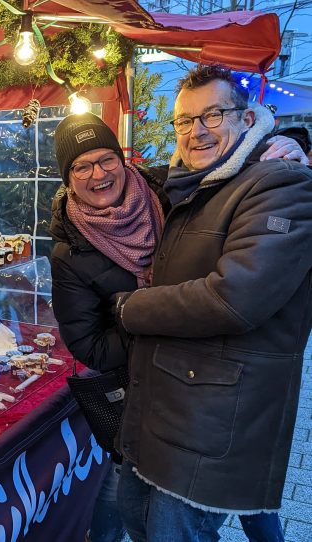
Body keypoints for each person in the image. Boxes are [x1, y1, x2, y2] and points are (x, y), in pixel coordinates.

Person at [50, 111, 306, 542]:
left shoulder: (169, 188)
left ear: (123, 159)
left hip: (220, 380)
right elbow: (89, 345)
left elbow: (225, 159)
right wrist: (160, 326)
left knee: (239, 486)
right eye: (81, 165)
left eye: (106, 158)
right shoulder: (70, 252)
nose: (99, 174)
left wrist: (283, 145)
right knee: (140, 507)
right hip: (147, 394)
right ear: (68, 177)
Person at [112, 65, 312, 541]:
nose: (196, 131)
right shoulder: (193, 186)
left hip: (214, 422)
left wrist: (130, 309)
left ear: (246, 119)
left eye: (213, 115)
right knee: (135, 521)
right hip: (167, 411)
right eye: (184, 120)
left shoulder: (281, 184)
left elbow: (234, 299)